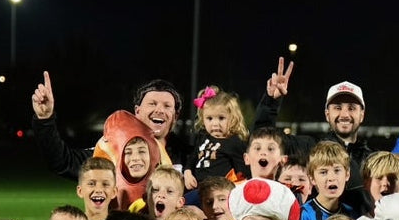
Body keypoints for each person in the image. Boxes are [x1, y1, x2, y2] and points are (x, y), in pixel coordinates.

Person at [32, 62, 292, 178]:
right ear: (137, 111)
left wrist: (270, 102)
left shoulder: (190, 153)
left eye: (167, 106)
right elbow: (62, 162)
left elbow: (258, 150)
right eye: (152, 104)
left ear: (175, 116)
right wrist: (45, 120)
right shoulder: (111, 149)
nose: (160, 110)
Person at [185, 86, 250, 189]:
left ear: (233, 118)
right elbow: (192, 159)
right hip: (197, 189)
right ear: (203, 119)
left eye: (221, 118)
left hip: (217, 193)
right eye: (209, 118)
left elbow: (243, 172)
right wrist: (187, 173)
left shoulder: (234, 142)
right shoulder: (203, 138)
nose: (215, 124)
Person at [318, 80, 379, 179]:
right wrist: (282, 97)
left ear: (362, 115)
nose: (345, 115)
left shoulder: (375, 160)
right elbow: (283, 144)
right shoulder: (310, 150)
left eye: (351, 108)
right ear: (327, 114)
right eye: (338, 108)